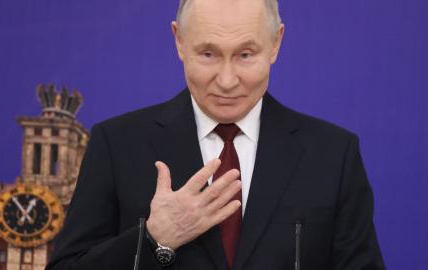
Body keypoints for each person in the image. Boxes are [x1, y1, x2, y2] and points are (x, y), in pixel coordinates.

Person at [46, 0, 385, 269]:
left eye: (245, 55)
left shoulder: (333, 155)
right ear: (179, 41)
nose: (226, 80)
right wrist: (153, 239)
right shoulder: (116, 144)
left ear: (276, 43)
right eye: (208, 54)